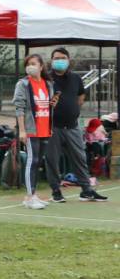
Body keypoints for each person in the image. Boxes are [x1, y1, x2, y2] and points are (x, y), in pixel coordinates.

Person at [46, 48, 108, 203]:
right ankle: (56, 191)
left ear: (68, 60)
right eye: (56, 58)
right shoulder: (46, 79)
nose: (59, 60)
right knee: (52, 160)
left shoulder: (75, 78)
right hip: (52, 127)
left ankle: (86, 190)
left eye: (62, 58)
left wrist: (73, 109)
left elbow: (81, 95)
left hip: (72, 126)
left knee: (80, 158)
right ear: (51, 60)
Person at [14, 54, 54, 210]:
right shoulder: (23, 84)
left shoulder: (48, 84)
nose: (30, 66)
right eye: (27, 64)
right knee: (32, 160)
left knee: (38, 162)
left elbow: (48, 105)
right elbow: (19, 108)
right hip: (31, 129)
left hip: (45, 127)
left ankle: (32, 194)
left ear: (41, 66)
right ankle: (30, 197)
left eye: (33, 64)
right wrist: (22, 130)